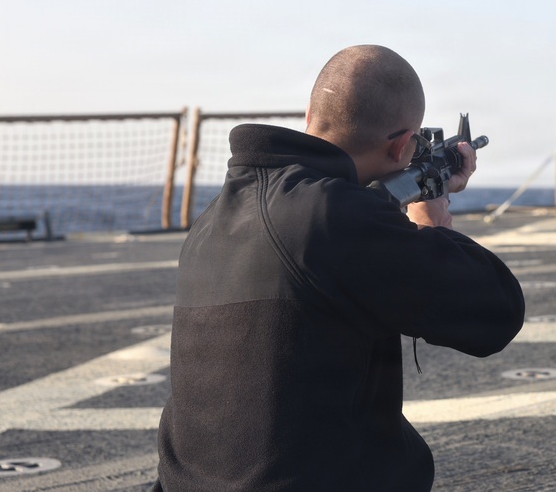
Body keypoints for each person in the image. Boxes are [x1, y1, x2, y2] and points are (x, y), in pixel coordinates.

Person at [154, 45, 525, 491]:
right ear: (404, 145)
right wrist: (432, 223)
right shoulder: (334, 215)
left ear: (310, 115)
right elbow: (495, 313)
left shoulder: (217, 215)